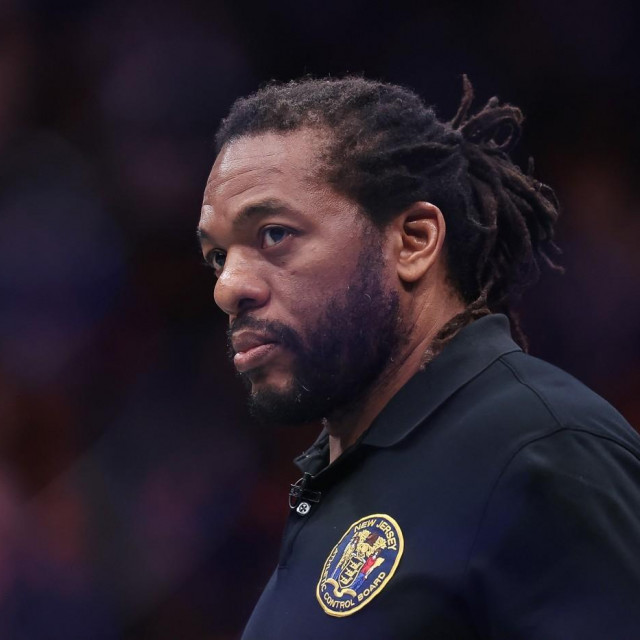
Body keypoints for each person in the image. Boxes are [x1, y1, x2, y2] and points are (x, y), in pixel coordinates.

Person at [197, 76, 640, 639]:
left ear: (413, 240)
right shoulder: (348, 469)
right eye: (218, 256)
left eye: (274, 234)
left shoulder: (540, 448)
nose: (227, 287)